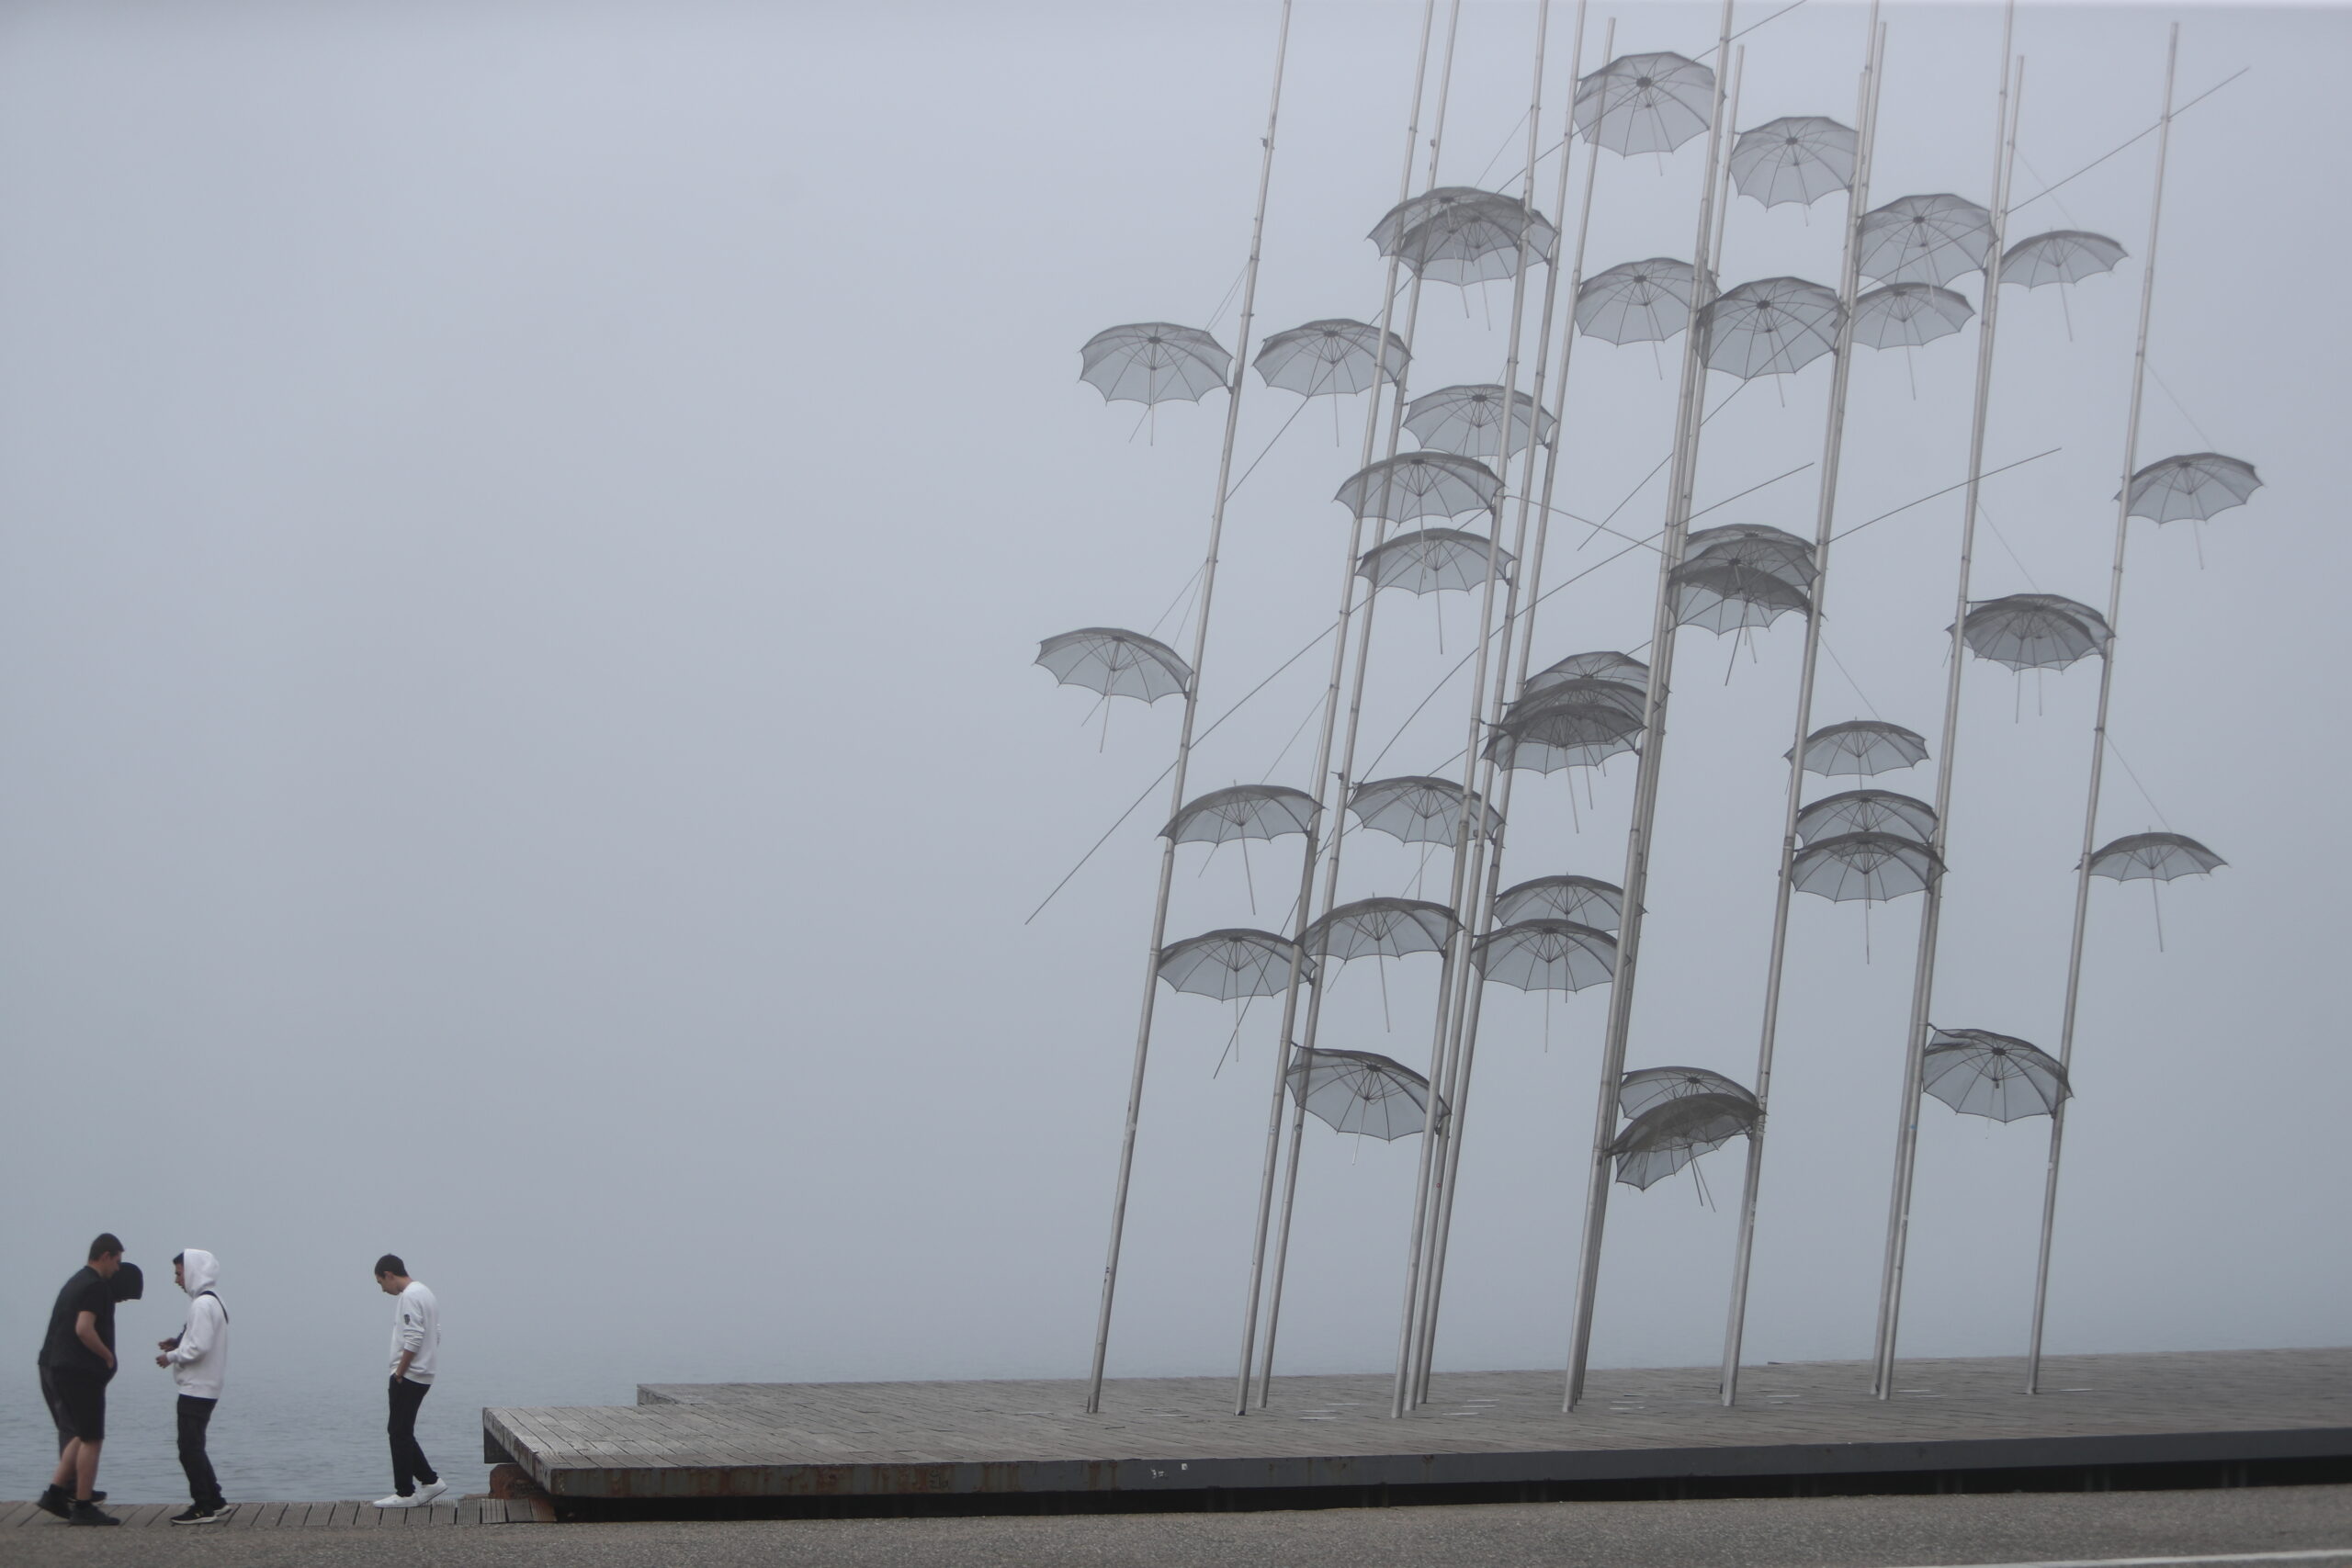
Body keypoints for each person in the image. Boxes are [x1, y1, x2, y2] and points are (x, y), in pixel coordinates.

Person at [33, 1235, 130, 1527]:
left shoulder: (76, 1281)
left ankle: (54, 1493)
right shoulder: (95, 1286)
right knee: (92, 1438)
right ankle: (84, 1505)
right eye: (117, 1261)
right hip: (80, 1372)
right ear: (105, 1256)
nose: (118, 1268)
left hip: (60, 1368)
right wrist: (107, 1356)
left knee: (79, 1433)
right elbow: (84, 1328)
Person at [156, 1249, 232, 1524]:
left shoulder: (201, 1304)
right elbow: (200, 1339)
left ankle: (203, 1506)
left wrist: (171, 1357)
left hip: (196, 1386)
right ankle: (215, 1498)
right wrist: (179, 1342)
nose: (177, 1279)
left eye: (179, 1272)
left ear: (193, 1270)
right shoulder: (214, 1300)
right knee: (194, 1444)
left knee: (188, 1447)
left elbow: (199, 1347)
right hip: (208, 1384)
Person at [373, 1255, 446, 1509]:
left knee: (398, 1433)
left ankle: (405, 1493)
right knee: (401, 1431)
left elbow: (414, 1337)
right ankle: (430, 1481)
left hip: (410, 1375)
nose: (383, 1289)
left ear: (389, 1274)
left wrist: (400, 1373)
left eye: (381, 1282)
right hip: (424, 1373)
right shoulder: (425, 1292)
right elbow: (435, 1333)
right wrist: (427, 1361)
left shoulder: (409, 1296)